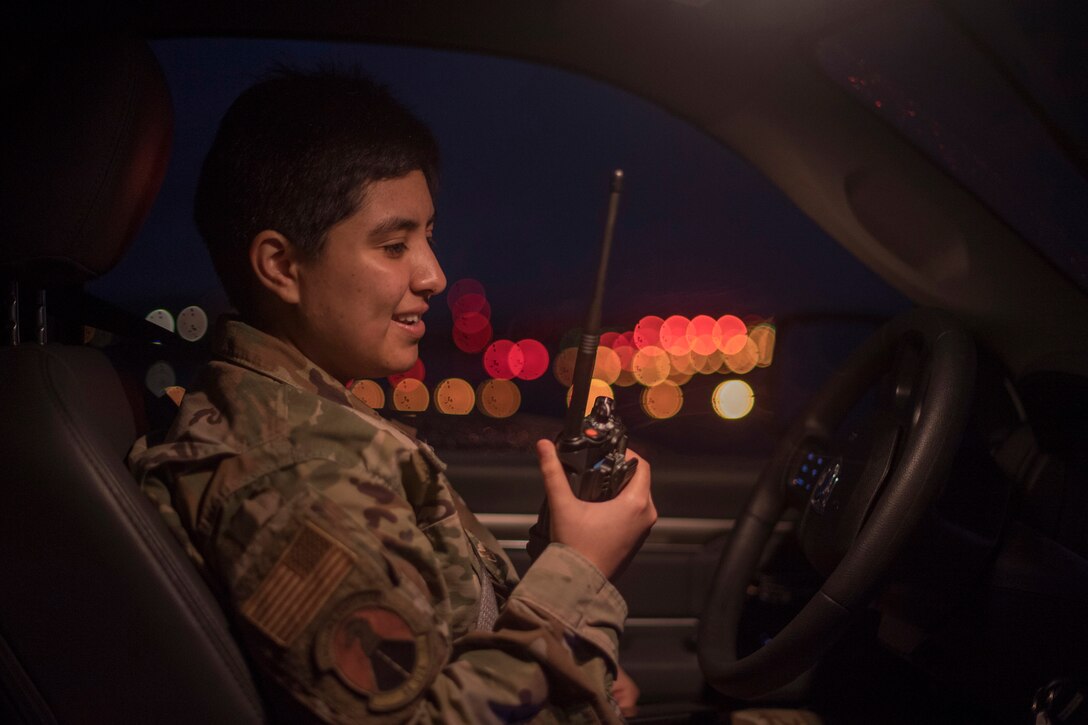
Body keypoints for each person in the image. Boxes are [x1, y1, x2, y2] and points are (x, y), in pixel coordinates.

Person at [127, 64, 656, 723]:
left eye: (427, 237)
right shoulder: (291, 482)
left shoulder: (322, 421)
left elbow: (451, 630)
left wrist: (571, 652)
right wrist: (580, 572)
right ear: (281, 266)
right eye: (394, 244)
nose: (433, 275)